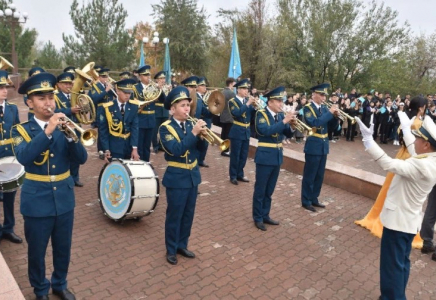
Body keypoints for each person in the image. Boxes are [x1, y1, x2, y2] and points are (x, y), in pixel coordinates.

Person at [12, 72, 88, 300]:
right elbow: (25, 157)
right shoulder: (21, 130)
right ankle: (40, 289)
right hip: (36, 200)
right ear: (30, 102)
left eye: (50, 98)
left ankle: (60, 284)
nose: (48, 103)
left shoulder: (65, 126)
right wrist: (48, 130)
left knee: (63, 247)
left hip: (64, 197)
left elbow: (82, 159)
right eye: (42, 98)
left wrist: (72, 136)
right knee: (37, 251)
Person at [355, 113, 436, 300]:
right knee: (401, 264)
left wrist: (368, 141)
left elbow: (388, 163)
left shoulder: (422, 166)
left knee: (391, 267)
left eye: (419, 138)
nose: (415, 141)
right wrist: (407, 130)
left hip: (397, 224)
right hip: (408, 222)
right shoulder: (430, 159)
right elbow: (412, 148)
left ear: (426, 144)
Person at [355, 96, 427, 249]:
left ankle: (379, 215)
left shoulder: (407, 120)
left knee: (390, 188)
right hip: (412, 157)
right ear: (421, 108)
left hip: (401, 154)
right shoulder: (420, 123)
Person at [158, 86, 205, 265]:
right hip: (177, 178)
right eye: (182, 105)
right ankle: (171, 249)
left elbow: (200, 151)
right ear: (172, 109)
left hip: (193, 176)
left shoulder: (191, 124)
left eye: (187, 105)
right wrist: (194, 134)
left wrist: (202, 137)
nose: (187, 108)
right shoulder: (165, 128)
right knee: (174, 215)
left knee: (188, 214)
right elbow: (176, 150)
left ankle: (182, 245)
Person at [252, 86, 294, 231]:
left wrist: (291, 124)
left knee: (269, 190)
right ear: (270, 102)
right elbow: (265, 131)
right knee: (260, 189)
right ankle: (257, 218)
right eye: (278, 101)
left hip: (277, 156)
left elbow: (288, 134)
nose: (281, 104)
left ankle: (265, 214)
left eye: (281, 101)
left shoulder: (281, 116)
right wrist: (283, 122)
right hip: (264, 157)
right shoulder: (260, 114)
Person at [301, 83, 339, 212]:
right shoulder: (308, 108)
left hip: (323, 145)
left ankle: (314, 198)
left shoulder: (324, 109)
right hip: (313, 145)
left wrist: (335, 117)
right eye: (322, 95)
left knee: (319, 175)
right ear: (314, 95)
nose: (324, 98)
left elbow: (331, 128)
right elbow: (314, 123)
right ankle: (306, 200)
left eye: (324, 95)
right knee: (310, 175)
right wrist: (329, 113)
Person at [0, 70, 22, 245]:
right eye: (0, 87)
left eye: (5, 87)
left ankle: (8, 228)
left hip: (9, 158)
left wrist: (19, 151)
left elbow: (18, 131)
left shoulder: (13, 109)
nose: (4, 90)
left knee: (9, 196)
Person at [53, 72, 84, 187]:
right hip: (63, 129)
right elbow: (53, 111)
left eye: (70, 83)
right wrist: (69, 110)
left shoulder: (77, 95)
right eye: (65, 84)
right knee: (63, 153)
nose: (69, 86)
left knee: (76, 153)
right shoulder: (55, 96)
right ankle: (64, 177)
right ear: (58, 85)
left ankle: (75, 177)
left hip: (76, 127)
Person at [100, 78, 140, 162]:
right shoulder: (107, 107)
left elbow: (135, 128)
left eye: (129, 93)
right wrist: (106, 149)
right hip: (114, 147)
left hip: (129, 146)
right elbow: (103, 131)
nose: (128, 95)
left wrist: (134, 148)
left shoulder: (133, 106)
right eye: (125, 92)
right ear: (117, 91)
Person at [228, 78, 255, 185]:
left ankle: (240, 173)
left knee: (244, 155)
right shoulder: (232, 101)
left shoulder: (246, 101)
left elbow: (252, 116)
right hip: (237, 131)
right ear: (238, 90)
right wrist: (248, 104)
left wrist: (255, 107)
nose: (246, 91)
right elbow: (237, 113)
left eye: (247, 89)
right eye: (243, 89)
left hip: (246, 131)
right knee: (235, 154)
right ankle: (233, 175)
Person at [132, 65, 155, 162]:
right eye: (145, 75)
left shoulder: (153, 87)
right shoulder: (135, 88)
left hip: (151, 119)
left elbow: (163, 100)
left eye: (148, 75)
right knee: (140, 144)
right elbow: (134, 102)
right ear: (140, 76)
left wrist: (160, 90)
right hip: (141, 118)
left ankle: (146, 163)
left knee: (147, 145)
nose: (148, 77)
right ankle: (140, 163)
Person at [195, 77, 214, 167]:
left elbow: (208, 111)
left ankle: (201, 160)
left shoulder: (207, 97)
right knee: (198, 142)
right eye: (202, 85)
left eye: (205, 85)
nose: (204, 87)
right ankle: (196, 159)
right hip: (199, 121)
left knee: (205, 143)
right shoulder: (195, 97)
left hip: (206, 121)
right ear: (197, 87)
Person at [151, 71, 169, 153]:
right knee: (154, 130)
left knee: (164, 129)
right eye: (161, 78)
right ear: (157, 80)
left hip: (164, 111)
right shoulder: (153, 88)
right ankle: (155, 145)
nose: (163, 80)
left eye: (163, 78)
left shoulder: (167, 87)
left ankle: (162, 145)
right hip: (157, 110)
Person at [220, 77, 236, 157]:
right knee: (227, 135)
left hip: (223, 115)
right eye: (234, 83)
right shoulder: (231, 93)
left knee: (223, 134)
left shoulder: (222, 91)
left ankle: (223, 149)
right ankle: (225, 151)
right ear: (231, 83)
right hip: (229, 116)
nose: (234, 85)